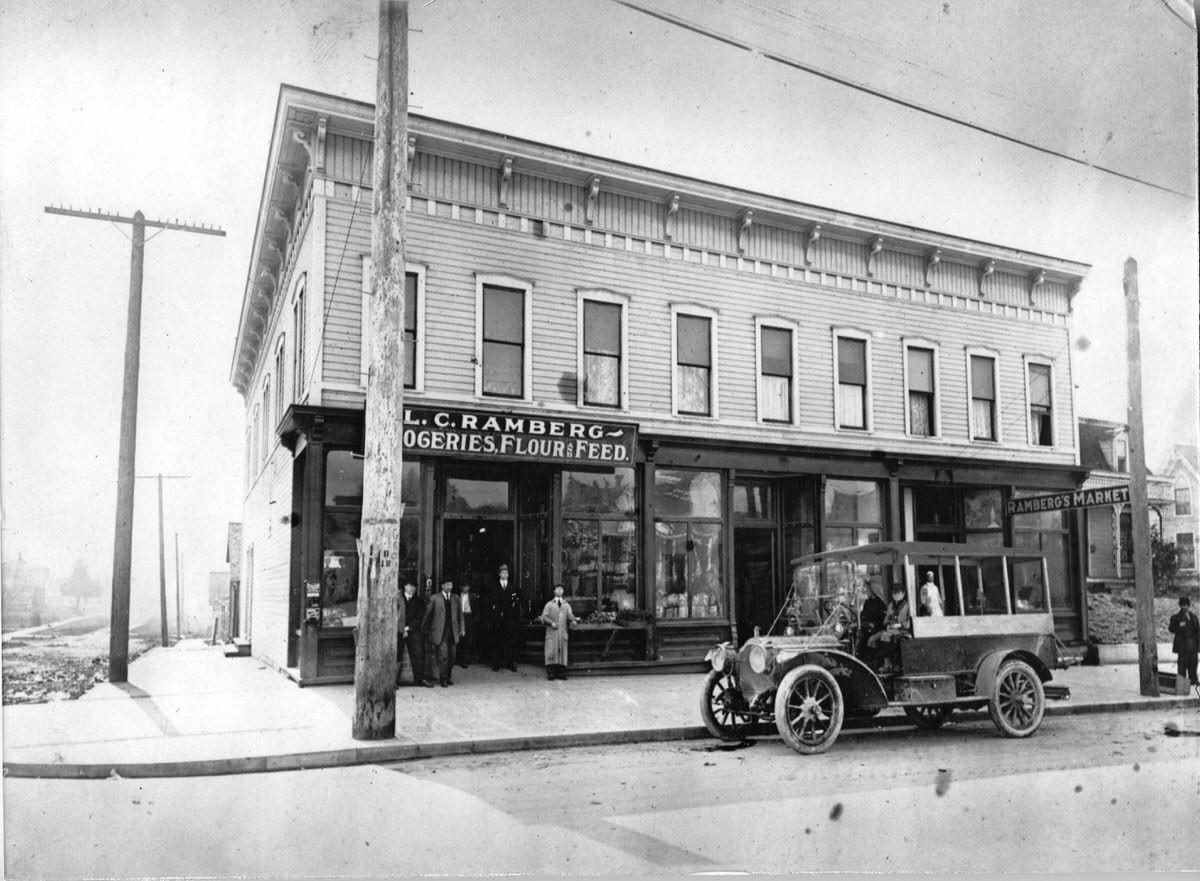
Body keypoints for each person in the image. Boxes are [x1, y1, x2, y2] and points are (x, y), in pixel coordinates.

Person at [421, 580, 462, 687]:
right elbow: (427, 614)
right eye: (447, 585)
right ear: (442, 586)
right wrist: (425, 628)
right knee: (443, 656)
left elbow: (460, 615)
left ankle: (448, 677)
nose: (449, 587)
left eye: (451, 585)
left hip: (453, 631)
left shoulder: (456, 598)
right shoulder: (435, 598)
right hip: (440, 631)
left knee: (452, 656)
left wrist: (462, 628)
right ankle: (443, 679)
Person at [867, 585, 911, 673]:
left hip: (901, 630)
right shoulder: (891, 605)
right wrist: (887, 624)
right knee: (872, 639)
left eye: (898, 593)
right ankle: (874, 664)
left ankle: (888, 664)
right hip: (890, 629)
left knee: (885, 636)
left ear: (903, 594)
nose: (896, 596)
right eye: (894, 594)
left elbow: (909, 622)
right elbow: (886, 619)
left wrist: (899, 625)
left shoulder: (907, 606)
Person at [397, 580, 432, 688]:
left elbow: (419, 617)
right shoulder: (398, 599)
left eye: (414, 586)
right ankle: (393, 681)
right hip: (398, 629)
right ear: (405, 586)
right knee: (397, 654)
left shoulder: (419, 600)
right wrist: (401, 629)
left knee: (418, 653)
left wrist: (408, 628)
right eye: (410, 585)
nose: (412, 588)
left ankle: (420, 679)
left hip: (413, 630)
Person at [540, 583, 577, 680]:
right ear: (554, 591)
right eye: (557, 589)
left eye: (561, 589)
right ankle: (551, 673)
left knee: (562, 652)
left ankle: (561, 673)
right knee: (551, 652)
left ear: (563, 591)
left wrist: (573, 620)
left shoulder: (566, 605)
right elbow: (544, 617)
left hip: (562, 632)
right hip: (552, 632)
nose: (559, 591)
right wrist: (551, 623)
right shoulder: (549, 604)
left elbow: (570, 615)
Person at [491, 563, 523, 672]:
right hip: (498, 618)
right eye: (502, 572)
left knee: (510, 641)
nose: (505, 574)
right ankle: (497, 663)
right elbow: (492, 602)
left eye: (506, 573)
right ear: (499, 574)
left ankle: (510, 662)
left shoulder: (513, 586)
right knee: (497, 640)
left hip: (510, 618)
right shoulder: (494, 587)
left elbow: (518, 600)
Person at [1168, 595, 1199, 688]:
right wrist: (1179, 626)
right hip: (1182, 646)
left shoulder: (1194, 617)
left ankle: (1193, 680)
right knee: (1182, 664)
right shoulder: (1176, 617)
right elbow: (1171, 629)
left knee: (1193, 663)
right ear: (1180, 606)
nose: (1184, 607)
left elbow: (1198, 631)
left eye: (1186, 605)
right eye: (1182, 605)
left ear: (1189, 605)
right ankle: (1182, 682)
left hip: (1193, 645)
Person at [857, 580, 887, 660]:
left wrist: (874, 624)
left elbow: (882, 620)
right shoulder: (867, 602)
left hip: (877, 629)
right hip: (867, 628)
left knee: (870, 640)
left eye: (867, 589)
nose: (866, 591)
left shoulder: (880, 603)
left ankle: (871, 661)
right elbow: (862, 615)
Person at [456, 583, 478, 668]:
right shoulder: (457, 596)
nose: (465, 588)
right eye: (464, 586)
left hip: (469, 618)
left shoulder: (473, 596)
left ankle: (465, 661)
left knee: (468, 641)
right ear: (461, 587)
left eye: (467, 586)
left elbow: (477, 609)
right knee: (458, 639)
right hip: (459, 617)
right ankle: (457, 659)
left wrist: (474, 620)